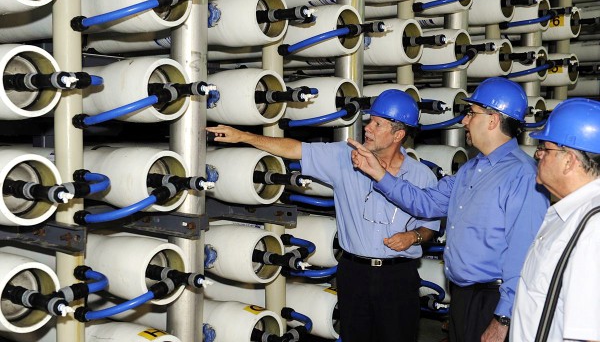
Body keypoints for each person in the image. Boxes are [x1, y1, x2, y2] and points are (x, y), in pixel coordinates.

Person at [207, 89, 440, 342]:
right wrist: (242, 135)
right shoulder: (343, 157)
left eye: (377, 123)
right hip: (355, 273)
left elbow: (430, 226)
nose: (368, 128)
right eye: (370, 120)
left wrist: (414, 236)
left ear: (399, 134)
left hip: (398, 276)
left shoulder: (421, 176)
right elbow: (295, 149)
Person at [348, 78, 550, 342]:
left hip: (493, 301)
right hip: (464, 297)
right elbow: (425, 202)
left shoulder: (521, 176)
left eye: (471, 113)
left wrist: (503, 319)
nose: (464, 121)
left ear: (492, 119)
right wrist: (379, 174)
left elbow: (524, 257)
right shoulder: (471, 170)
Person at [510, 98, 600, 342]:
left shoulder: (593, 229)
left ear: (569, 160)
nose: (538, 155)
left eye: (545, 149)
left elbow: (589, 335)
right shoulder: (568, 213)